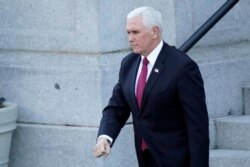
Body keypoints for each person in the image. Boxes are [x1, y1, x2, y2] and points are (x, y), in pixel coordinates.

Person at [94, 6, 209, 167]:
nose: (130, 38)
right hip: (145, 158)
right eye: (128, 33)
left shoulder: (182, 67)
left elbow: (198, 128)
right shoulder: (128, 63)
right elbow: (116, 108)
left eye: (136, 32)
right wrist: (105, 137)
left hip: (176, 160)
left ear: (154, 32)